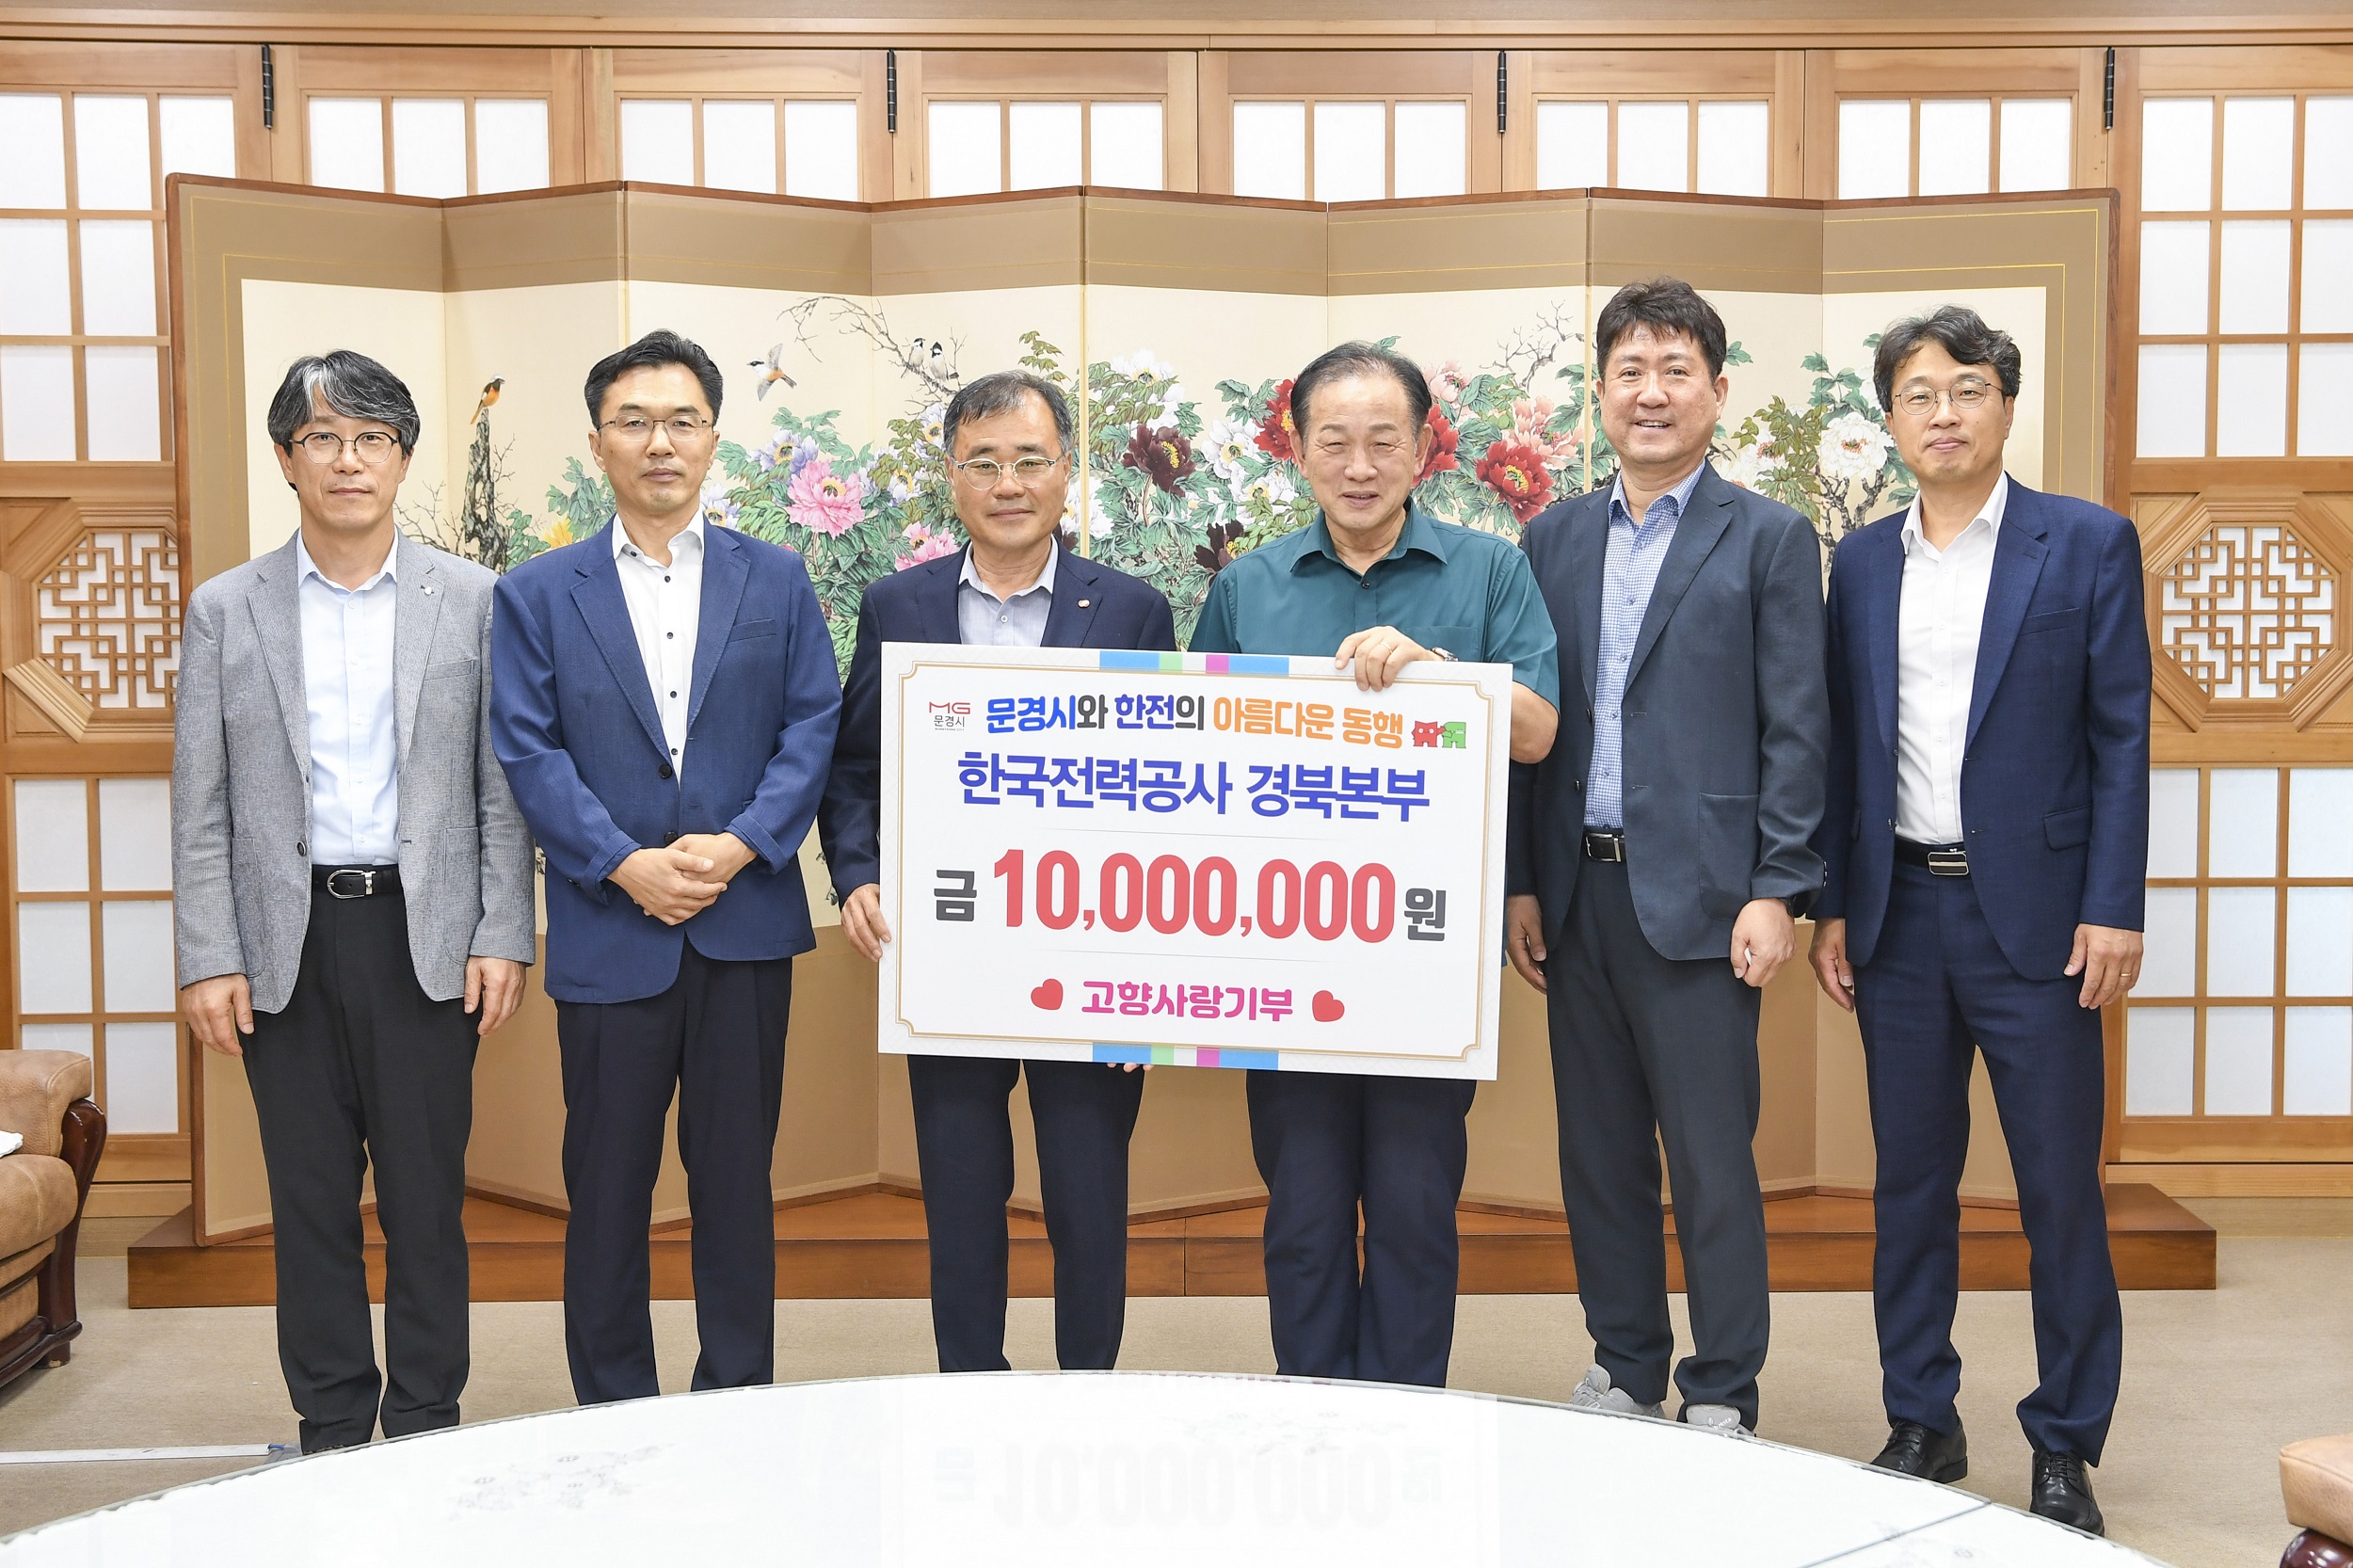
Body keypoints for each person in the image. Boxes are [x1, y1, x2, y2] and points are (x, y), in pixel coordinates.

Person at [1808, 306, 2148, 1535]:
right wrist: (1832, 903)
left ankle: (2064, 1440)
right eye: (1918, 394)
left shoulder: (2086, 542)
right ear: (1891, 419)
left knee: (2059, 1190)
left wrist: (2113, 906)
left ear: (2006, 403)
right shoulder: (1862, 563)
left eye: (1966, 388)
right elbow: (1844, 744)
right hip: (1897, 913)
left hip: (2044, 925)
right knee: (1910, 1182)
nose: (1942, 412)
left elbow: (2121, 735)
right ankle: (1922, 1417)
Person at [173, 351, 535, 1452]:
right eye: (322, 438)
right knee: (310, 1201)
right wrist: (208, 953)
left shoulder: (472, 600)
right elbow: (200, 801)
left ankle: (425, 1420)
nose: (348, 459)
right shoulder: (225, 609)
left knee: (426, 1201)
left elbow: (500, 785)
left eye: (372, 438)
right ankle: (331, 1424)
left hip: (422, 936)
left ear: (402, 457)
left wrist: (503, 931)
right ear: (287, 459)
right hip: (281, 943)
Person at [1191, 341, 1560, 1387]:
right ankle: (1311, 1404)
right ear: (1298, 449)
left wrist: (1443, 678)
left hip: (1424, 953)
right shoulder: (1247, 586)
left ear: (1424, 448)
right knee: (1302, 1207)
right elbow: (1194, 756)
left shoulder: (1490, 569)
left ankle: (1407, 1414)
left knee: (1414, 1205)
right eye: (1334, 442)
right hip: (1280, 951)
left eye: (1383, 442)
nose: (1359, 466)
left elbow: (1537, 732)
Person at [489, 329, 841, 1404]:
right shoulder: (538, 591)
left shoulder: (775, 578)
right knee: (605, 1191)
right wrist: (621, 862)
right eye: (634, 422)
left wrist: (741, 842)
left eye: (682, 421)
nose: (660, 443)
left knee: (736, 1185)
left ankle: (735, 1398)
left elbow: (813, 726)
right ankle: (613, 1411)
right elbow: (527, 748)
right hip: (611, 932)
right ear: (598, 442)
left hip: (744, 927)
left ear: (712, 440)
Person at [1505, 277, 1829, 1437]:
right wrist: (1521, 881)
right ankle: (1627, 1364)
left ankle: (1723, 1384)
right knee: (1597, 1156)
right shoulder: (1550, 536)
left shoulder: (1770, 537)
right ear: (1598, 391)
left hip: (1704, 897)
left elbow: (1799, 728)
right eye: (1629, 371)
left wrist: (1778, 887)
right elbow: (1532, 722)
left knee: (1709, 1161)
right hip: (1576, 893)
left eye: (1675, 370)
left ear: (1716, 390)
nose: (1651, 393)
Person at [820, 370, 1177, 1373]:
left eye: (1029, 460)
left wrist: (1153, 972)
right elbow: (854, 767)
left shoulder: (1133, 610)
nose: (1008, 483)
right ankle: (968, 1385)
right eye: (983, 463)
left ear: (1066, 471)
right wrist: (858, 874)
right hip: (949, 954)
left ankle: (1088, 1391)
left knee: (1087, 1193)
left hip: (1093, 959)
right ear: (952, 476)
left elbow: (1172, 796)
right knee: (961, 1190)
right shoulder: (897, 605)